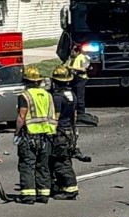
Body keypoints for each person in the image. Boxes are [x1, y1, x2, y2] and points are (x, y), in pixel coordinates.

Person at [13, 65, 57, 205]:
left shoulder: (24, 96)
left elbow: (21, 116)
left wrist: (17, 132)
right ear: (38, 81)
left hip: (29, 136)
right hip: (46, 135)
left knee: (27, 165)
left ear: (26, 81)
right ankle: (43, 194)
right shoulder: (48, 95)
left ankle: (28, 195)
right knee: (43, 166)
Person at [48, 65, 80, 200]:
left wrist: (50, 132)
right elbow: (75, 115)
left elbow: (55, 117)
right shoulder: (71, 95)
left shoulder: (57, 98)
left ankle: (70, 189)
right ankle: (62, 186)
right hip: (70, 132)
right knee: (64, 159)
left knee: (61, 162)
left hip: (60, 133)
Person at [67, 43, 95, 125]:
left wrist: (71, 68)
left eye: (73, 51)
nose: (72, 53)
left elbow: (83, 69)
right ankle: (75, 113)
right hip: (75, 78)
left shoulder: (83, 58)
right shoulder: (73, 58)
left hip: (81, 79)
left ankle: (81, 114)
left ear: (77, 51)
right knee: (75, 96)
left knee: (80, 97)